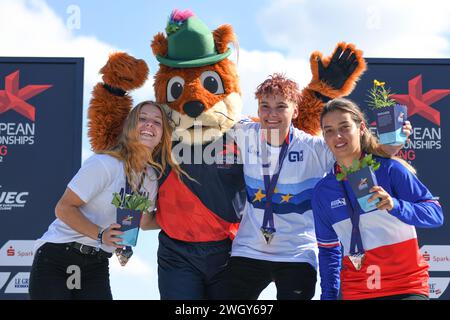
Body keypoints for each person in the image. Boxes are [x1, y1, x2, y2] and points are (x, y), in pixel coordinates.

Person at [227, 74, 412, 300]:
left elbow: (356, 156)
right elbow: (208, 121)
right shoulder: (244, 133)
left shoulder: (314, 148)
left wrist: (391, 145)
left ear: (295, 111)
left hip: (297, 253)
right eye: (265, 106)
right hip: (249, 250)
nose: (271, 114)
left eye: (281, 106)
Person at [28, 101, 181, 299]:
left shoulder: (150, 178)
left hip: (97, 262)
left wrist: (183, 219)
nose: (149, 124)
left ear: (162, 135)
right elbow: (64, 209)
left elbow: (143, 222)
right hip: (58, 257)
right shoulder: (105, 163)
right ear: (129, 127)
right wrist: (100, 234)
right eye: (142, 119)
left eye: (157, 122)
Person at [312, 98, 443, 300]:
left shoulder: (390, 169)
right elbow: (328, 251)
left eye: (344, 127)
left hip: (405, 287)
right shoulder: (323, 191)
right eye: (329, 130)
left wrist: (395, 205)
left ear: (361, 128)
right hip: (357, 291)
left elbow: (435, 214)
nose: (337, 135)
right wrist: (328, 297)